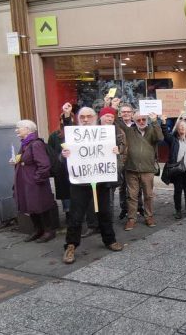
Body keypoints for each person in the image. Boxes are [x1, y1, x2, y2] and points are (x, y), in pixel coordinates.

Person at [60, 107, 123, 264]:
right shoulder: (73, 135)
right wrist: (64, 155)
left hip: (101, 181)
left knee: (105, 212)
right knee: (76, 215)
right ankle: (71, 246)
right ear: (78, 119)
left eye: (89, 116)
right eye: (82, 117)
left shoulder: (105, 134)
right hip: (80, 182)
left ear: (95, 117)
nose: (86, 120)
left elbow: (118, 151)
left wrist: (117, 151)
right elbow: (61, 158)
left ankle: (109, 240)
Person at [12, 120, 57, 243]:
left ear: (27, 129)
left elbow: (44, 164)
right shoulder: (25, 143)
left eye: (19, 128)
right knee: (31, 206)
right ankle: (38, 230)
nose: (17, 130)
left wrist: (36, 179)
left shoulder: (35, 144)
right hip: (26, 182)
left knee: (41, 206)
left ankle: (49, 231)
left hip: (35, 182)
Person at [119, 111, 164, 231]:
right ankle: (131, 219)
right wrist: (111, 106)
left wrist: (155, 121)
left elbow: (160, 137)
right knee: (132, 196)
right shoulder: (129, 131)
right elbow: (116, 122)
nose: (141, 122)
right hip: (131, 169)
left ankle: (149, 216)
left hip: (147, 169)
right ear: (134, 121)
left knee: (148, 195)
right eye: (138, 120)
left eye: (143, 119)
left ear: (147, 120)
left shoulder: (151, 130)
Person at [163, 119, 186, 219]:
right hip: (177, 170)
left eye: (184, 126)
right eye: (180, 127)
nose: (182, 128)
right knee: (177, 191)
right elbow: (166, 135)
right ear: (177, 129)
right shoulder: (173, 140)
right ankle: (178, 210)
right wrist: (163, 123)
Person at [98, 107, 127, 224]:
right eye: (107, 116)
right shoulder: (92, 129)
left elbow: (124, 146)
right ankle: (95, 223)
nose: (109, 119)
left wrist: (119, 149)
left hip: (111, 169)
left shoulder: (119, 131)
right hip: (94, 169)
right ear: (101, 117)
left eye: (111, 117)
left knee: (109, 198)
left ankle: (107, 222)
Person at [114, 103, 142, 220]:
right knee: (123, 186)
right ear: (120, 114)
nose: (126, 113)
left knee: (138, 185)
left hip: (136, 159)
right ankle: (124, 208)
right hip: (123, 159)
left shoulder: (138, 124)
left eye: (128, 112)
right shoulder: (117, 125)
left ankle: (139, 207)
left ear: (132, 113)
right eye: (123, 112)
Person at [47, 103, 74, 217]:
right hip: (62, 170)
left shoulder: (77, 133)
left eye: (68, 118)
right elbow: (51, 153)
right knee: (66, 195)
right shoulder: (54, 136)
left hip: (76, 169)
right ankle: (68, 214)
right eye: (63, 118)